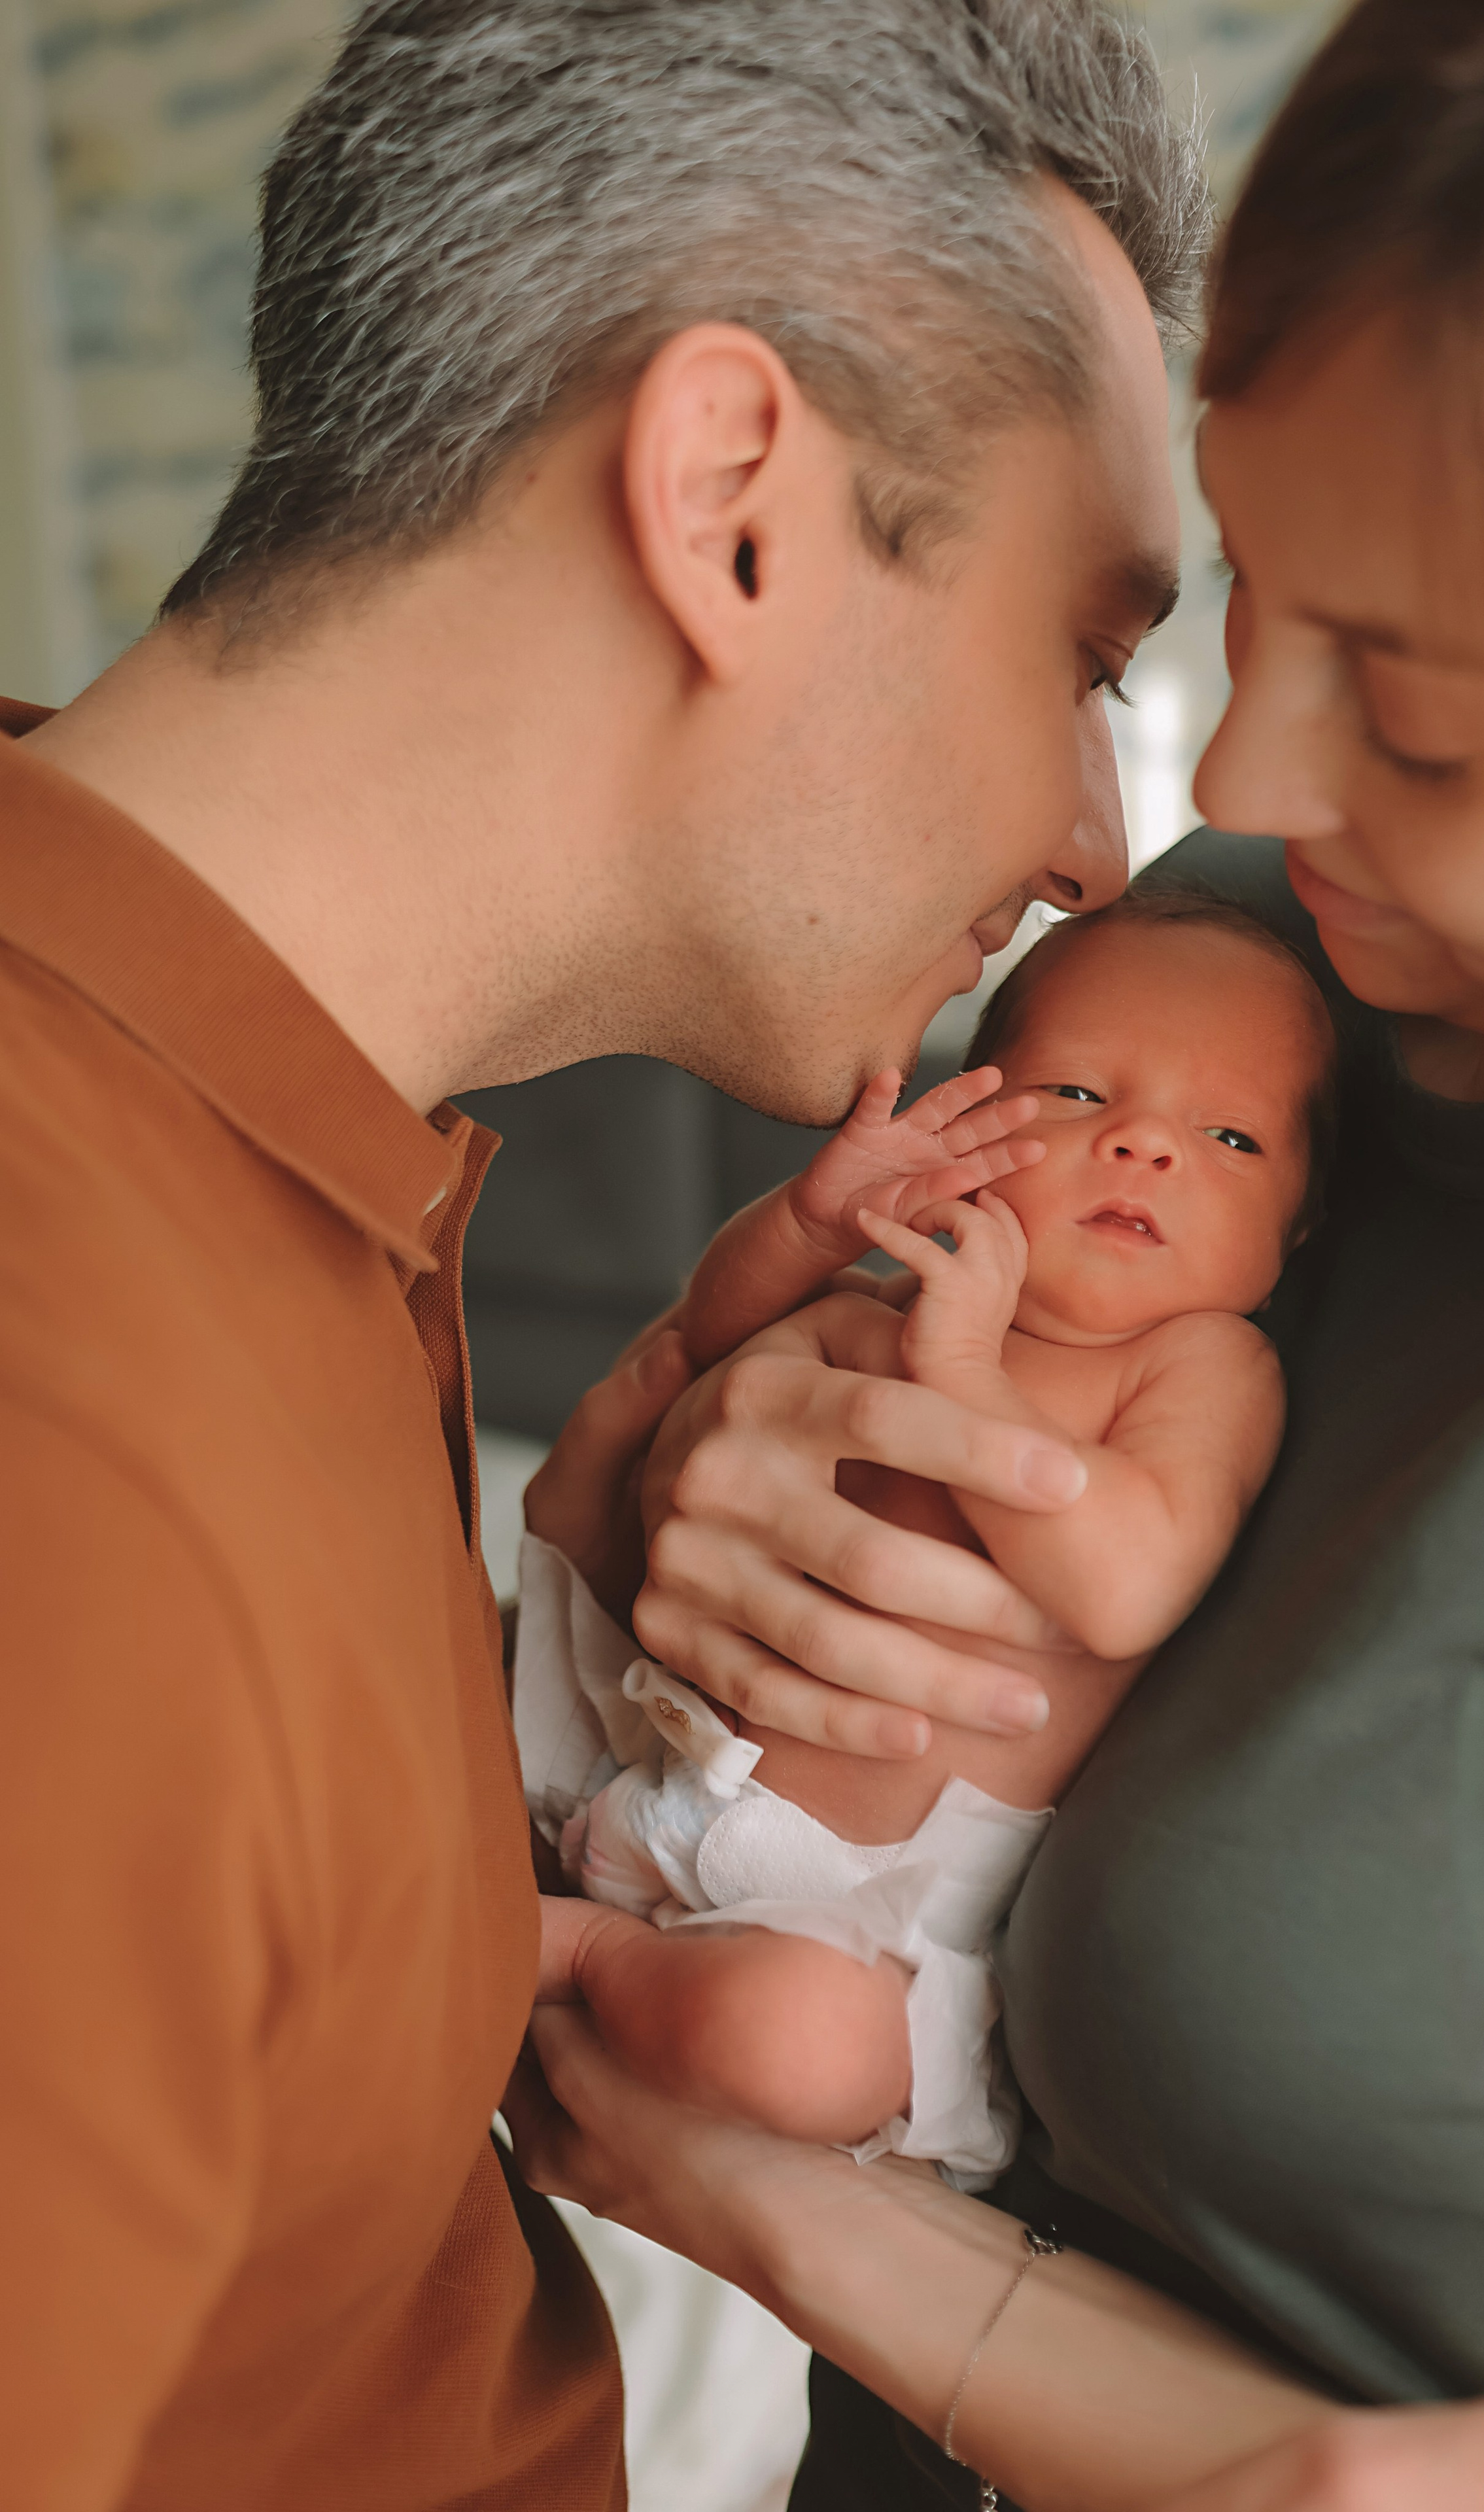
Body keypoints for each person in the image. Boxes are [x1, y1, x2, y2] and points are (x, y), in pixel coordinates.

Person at [0, 2, 1210, 2503]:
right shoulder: (67, 1396)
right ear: (731, 496)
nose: (1100, 844)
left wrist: (597, 1583)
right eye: (1089, 656)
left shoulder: (245, 1132)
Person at [506, 2, 1484, 2507]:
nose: (1233, 783)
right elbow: (759, 1350)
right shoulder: (1250, 945)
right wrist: (715, 1467)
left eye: (1423, 711)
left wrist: (779, 2209)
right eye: (1254, 597)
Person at [523, 890, 1334, 2192]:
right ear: (968, 1127)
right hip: (653, 1755)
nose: (1142, 1145)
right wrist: (810, 1229)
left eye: (1229, 1135)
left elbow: (1125, 1588)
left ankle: (587, 1955)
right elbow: (705, 1350)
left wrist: (963, 1369)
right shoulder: (883, 1308)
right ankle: (538, 1877)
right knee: (566, 1482)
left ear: (1293, 1235)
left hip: (858, 1908)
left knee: (797, 2046)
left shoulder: (1198, 1367)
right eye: (1078, 1095)